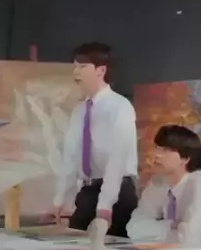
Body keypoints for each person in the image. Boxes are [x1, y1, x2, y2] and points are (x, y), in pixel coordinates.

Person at [42, 42, 138, 237]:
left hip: (117, 191)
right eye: (75, 66)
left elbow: (117, 159)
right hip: (88, 190)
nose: (76, 72)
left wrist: (105, 204)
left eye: (82, 66)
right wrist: (58, 202)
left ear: (101, 70)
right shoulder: (80, 111)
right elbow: (70, 160)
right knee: (76, 243)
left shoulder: (120, 106)